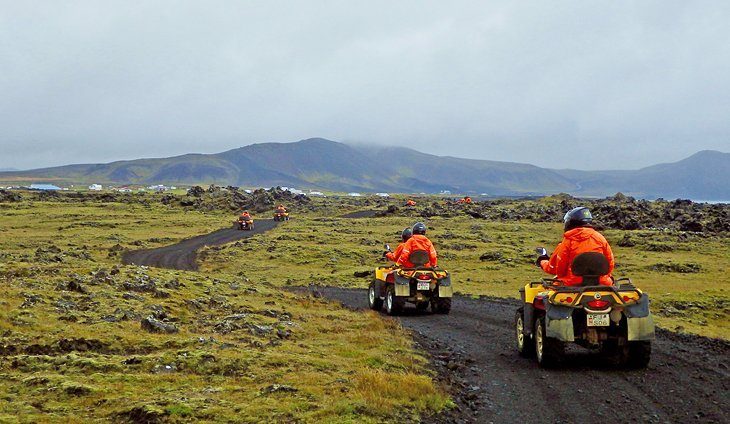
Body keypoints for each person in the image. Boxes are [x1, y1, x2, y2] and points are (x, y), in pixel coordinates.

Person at [536, 207, 615, 286]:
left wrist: (542, 261)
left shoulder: (568, 241)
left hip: (571, 284)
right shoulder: (600, 238)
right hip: (601, 283)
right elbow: (610, 265)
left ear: (570, 223)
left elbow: (559, 270)